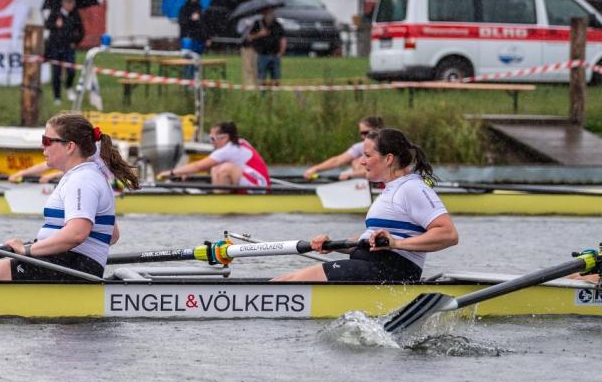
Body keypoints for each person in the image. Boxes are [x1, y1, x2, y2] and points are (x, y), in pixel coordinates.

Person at [0, 113, 139, 283]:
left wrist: (28, 250)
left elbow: (77, 233)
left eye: (47, 141)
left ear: (70, 147)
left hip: (70, 265)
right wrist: (43, 246)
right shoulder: (84, 175)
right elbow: (112, 235)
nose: (42, 146)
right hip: (67, 263)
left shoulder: (82, 180)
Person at [275, 127, 457, 284]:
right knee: (284, 279)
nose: (361, 161)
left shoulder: (411, 188)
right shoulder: (391, 190)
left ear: (388, 159)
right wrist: (332, 245)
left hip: (391, 271)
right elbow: (369, 242)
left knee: (286, 283)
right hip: (371, 265)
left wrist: (396, 243)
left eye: (368, 155)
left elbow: (448, 234)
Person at [158, 120, 269, 191]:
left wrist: (171, 172)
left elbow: (198, 166)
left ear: (225, 137)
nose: (211, 142)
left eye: (212, 138)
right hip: (250, 181)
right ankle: (219, 196)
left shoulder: (228, 149)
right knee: (215, 168)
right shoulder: (237, 143)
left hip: (259, 186)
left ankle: (220, 201)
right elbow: (205, 166)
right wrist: (186, 172)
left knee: (225, 169)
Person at [303, 116, 385, 180]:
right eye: (361, 133)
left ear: (377, 130)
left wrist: (352, 175)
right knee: (356, 162)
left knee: (359, 162)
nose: (362, 136)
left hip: (383, 182)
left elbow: (377, 169)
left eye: (365, 133)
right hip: (369, 181)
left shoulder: (385, 146)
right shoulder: (360, 146)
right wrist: (315, 169)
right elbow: (337, 160)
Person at [44, 0, 85, 102]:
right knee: (56, 72)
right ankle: (57, 97)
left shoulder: (75, 14)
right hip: (55, 47)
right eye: (68, 2)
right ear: (63, 3)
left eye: (72, 3)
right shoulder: (55, 12)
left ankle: (68, 86)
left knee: (71, 70)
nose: (70, 5)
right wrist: (55, 25)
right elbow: (47, 25)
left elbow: (81, 31)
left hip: (68, 47)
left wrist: (75, 41)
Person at [247, 3, 287, 85]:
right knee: (261, 77)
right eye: (267, 12)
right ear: (263, 13)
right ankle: (263, 92)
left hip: (275, 55)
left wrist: (281, 52)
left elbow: (283, 39)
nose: (269, 14)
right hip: (262, 55)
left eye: (270, 12)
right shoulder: (257, 24)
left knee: (276, 77)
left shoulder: (277, 24)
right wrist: (260, 34)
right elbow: (249, 37)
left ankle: (275, 92)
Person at [177, 0, 208, 79]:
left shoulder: (200, 8)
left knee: (197, 61)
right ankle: (187, 80)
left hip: (199, 38)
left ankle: (196, 80)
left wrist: (207, 37)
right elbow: (182, 22)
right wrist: (191, 19)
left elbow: (204, 24)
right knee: (188, 60)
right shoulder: (184, 8)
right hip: (188, 38)